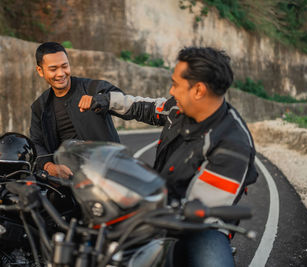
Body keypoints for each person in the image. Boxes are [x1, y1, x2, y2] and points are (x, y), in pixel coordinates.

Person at [79, 46, 258, 266]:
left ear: (199, 90)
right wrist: (107, 101)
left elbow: (196, 205)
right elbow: (143, 107)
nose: (171, 91)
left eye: (175, 84)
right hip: (157, 201)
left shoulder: (233, 144)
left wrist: (138, 202)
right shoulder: (178, 108)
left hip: (200, 222)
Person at [30, 42, 122, 178]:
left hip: (107, 172)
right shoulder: (40, 106)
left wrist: (99, 100)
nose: (61, 73)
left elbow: (121, 99)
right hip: (70, 180)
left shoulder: (92, 88)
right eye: (53, 69)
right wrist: (50, 167)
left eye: (64, 66)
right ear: (40, 71)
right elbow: (37, 143)